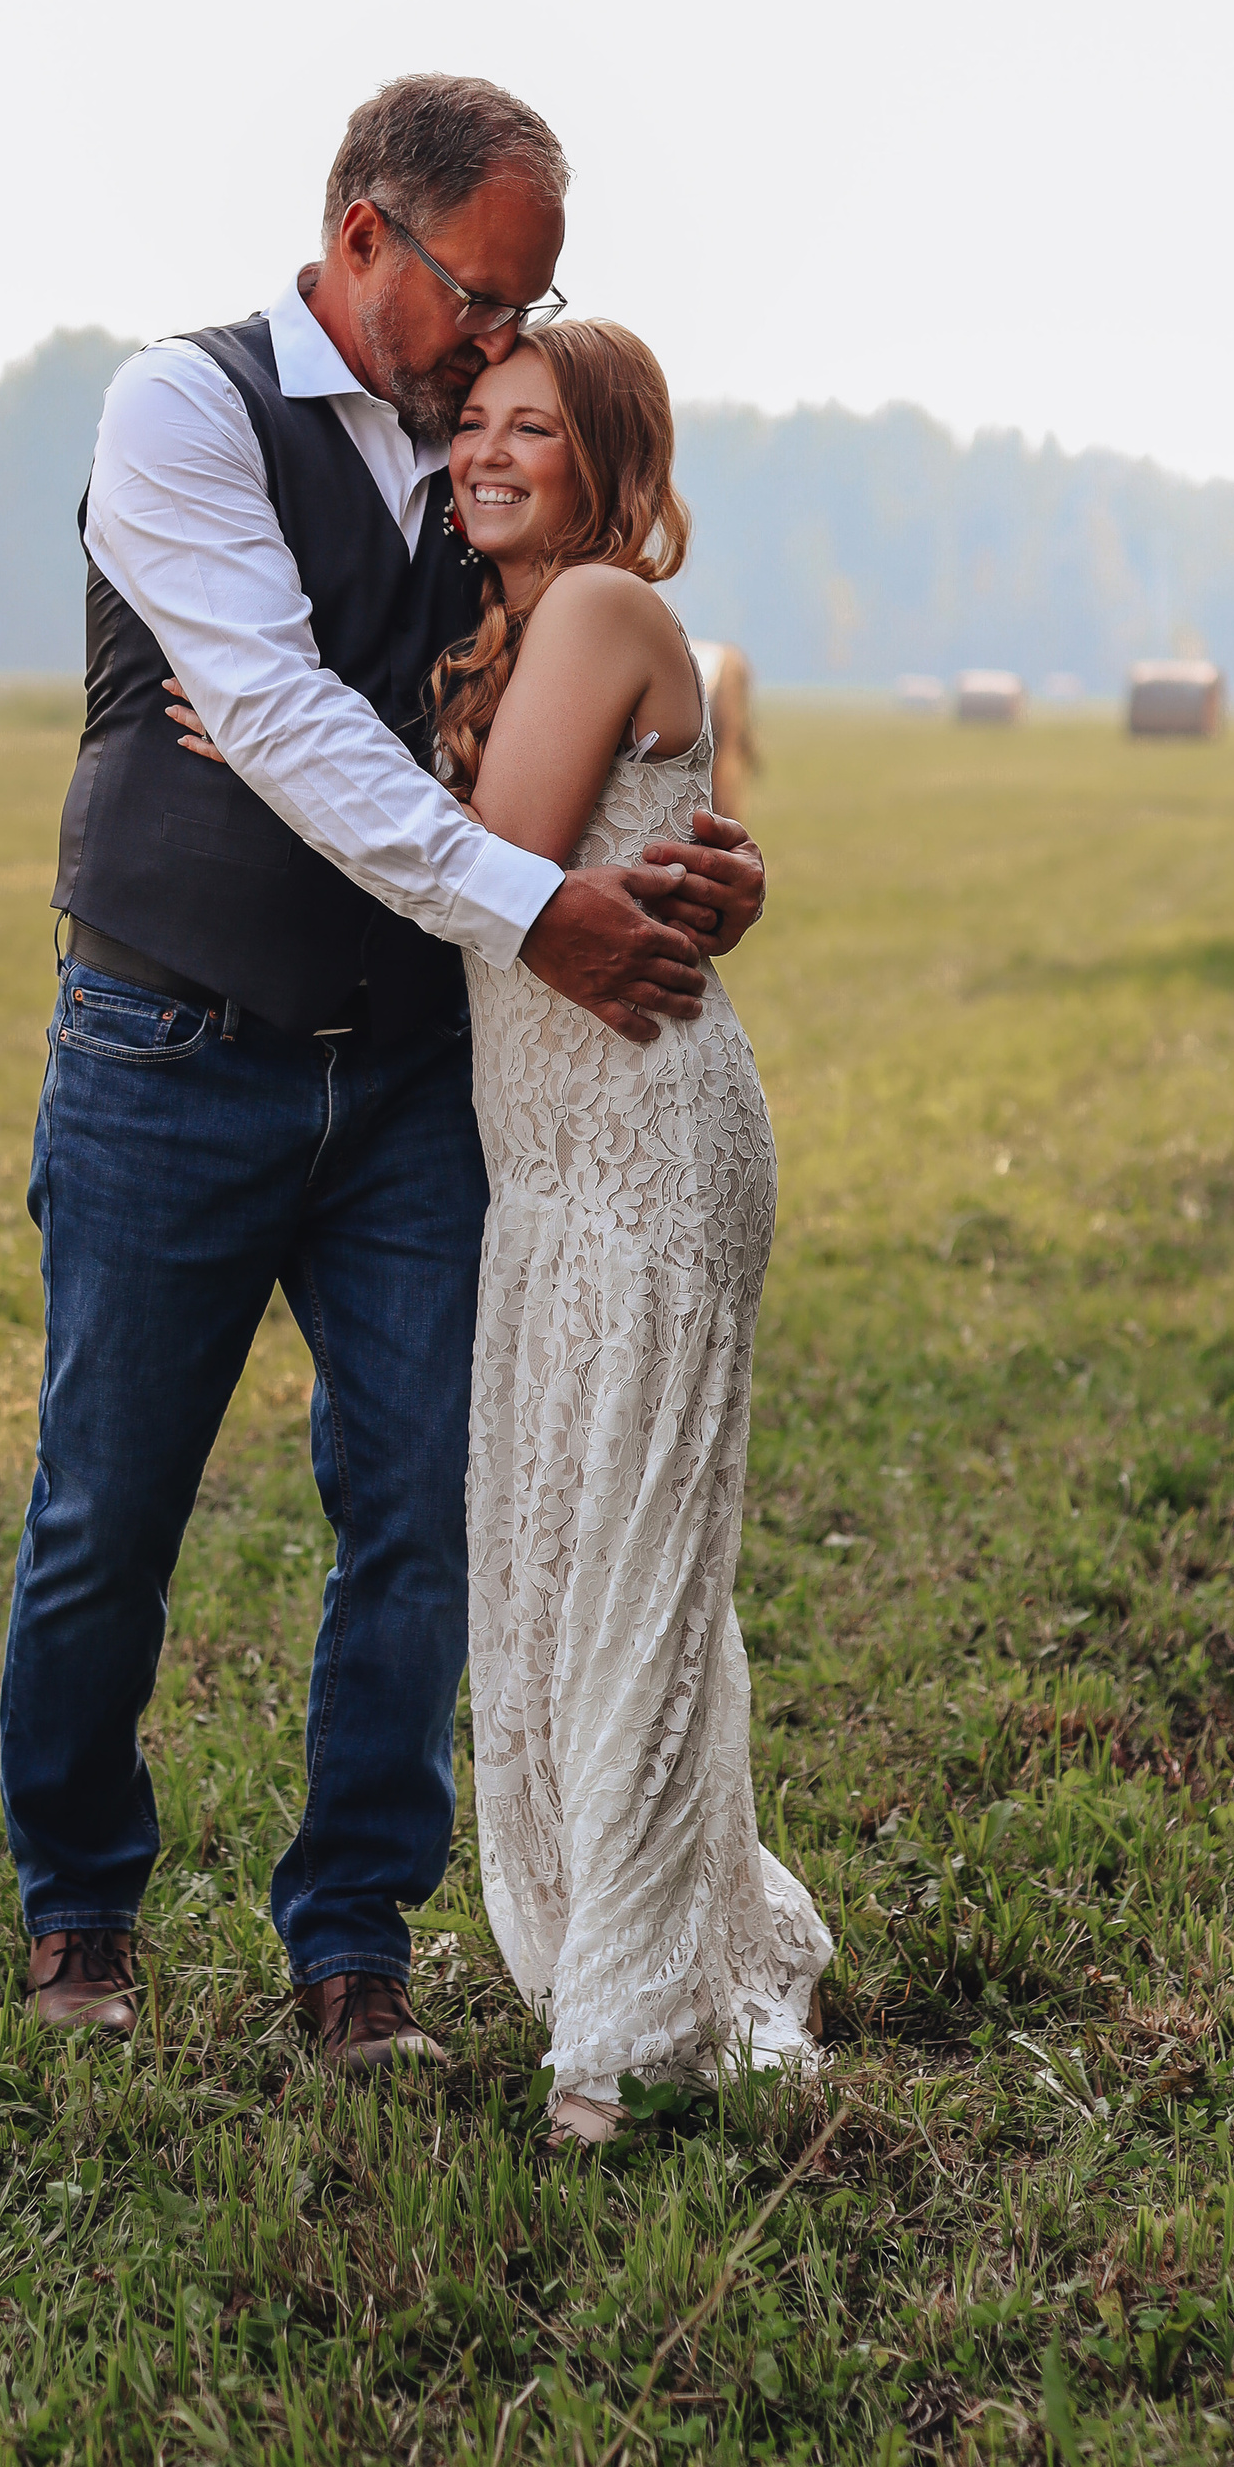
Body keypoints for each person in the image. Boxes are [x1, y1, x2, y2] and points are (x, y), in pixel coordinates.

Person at [0, 75, 768, 2070]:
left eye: (533, 304)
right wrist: (530, 899)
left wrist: (684, 839)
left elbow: (559, 688)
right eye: (481, 293)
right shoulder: (181, 413)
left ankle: (352, 1939)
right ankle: (76, 1906)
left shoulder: (474, 461)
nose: (504, 340)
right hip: (172, 1047)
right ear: (362, 240)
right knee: (108, 1507)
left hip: (416, 1085)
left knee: (422, 1508)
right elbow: (272, 707)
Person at [435, 326, 831, 2143]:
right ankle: (644, 1938)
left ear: (606, 468)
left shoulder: (593, 607)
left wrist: (266, 754)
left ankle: (620, 2030)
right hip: (548, 1167)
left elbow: (493, 854)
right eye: (472, 423)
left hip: (650, 1147)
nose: (486, 451)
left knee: (634, 1575)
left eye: (532, 429)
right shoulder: (521, 634)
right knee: (563, 1566)